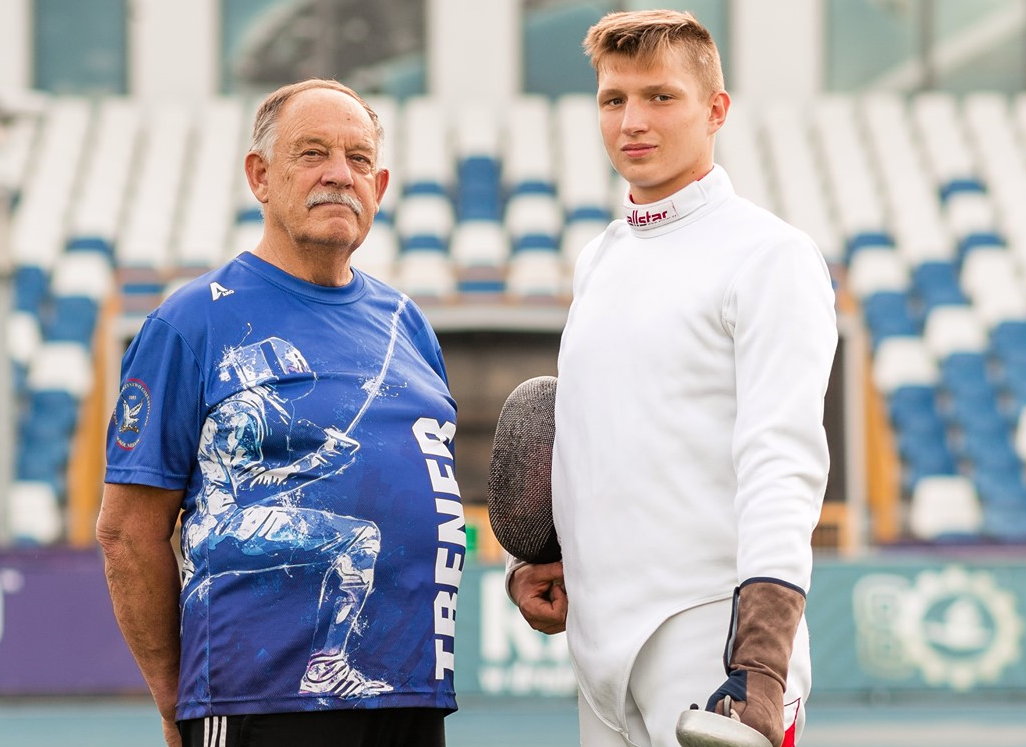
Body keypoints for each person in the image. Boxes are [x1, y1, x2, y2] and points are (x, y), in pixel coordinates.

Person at [96, 79, 465, 747]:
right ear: (260, 176)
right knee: (354, 539)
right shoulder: (191, 321)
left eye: (358, 159)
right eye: (312, 153)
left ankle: (335, 659)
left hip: (409, 696)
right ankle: (325, 660)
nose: (339, 174)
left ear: (379, 186)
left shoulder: (406, 323)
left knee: (357, 539)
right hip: (258, 702)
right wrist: (177, 698)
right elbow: (127, 531)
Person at [507, 10, 838, 747]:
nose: (632, 121)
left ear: (715, 110)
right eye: (613, 99)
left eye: (660, 96)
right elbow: (613, 439)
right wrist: (548, 558)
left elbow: (782, 460)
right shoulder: (598, 259)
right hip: (599, 650)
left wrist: (761, 662)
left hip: (712, 639)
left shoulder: (770, 255)